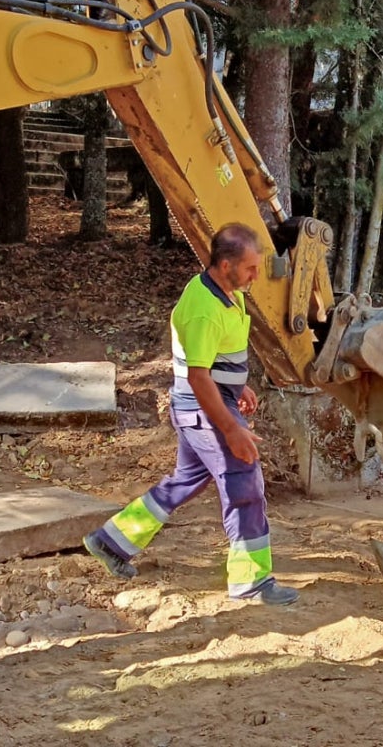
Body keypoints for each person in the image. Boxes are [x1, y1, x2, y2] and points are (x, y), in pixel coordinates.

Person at [83, 223, 299, 606]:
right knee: (244, 486)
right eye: (250, 268)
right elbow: (199, 378)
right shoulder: (203, 309)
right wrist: (231, 428)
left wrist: (238, 386)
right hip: (204, 409)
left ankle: (111, 540)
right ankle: (251, 582)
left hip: (204, 404)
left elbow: (209, 362)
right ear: (226, 264)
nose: (255, 275)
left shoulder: (222, 293)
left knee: (184, 481)